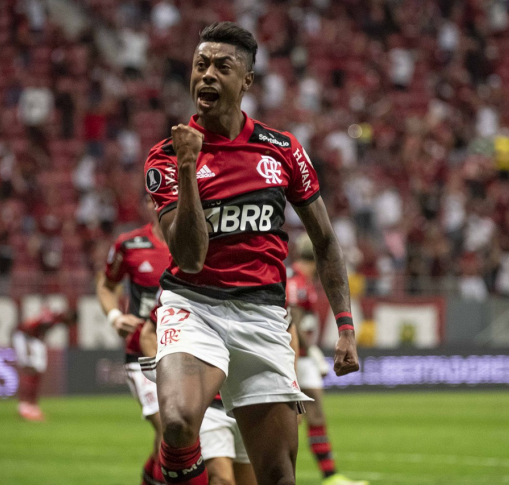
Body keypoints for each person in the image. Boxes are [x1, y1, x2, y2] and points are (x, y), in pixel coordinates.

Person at [143, 22, 359, 485]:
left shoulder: (282, 150)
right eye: (200, 65)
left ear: (247, 81)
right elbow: (190, 258)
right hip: (193, 305)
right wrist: (187, 168)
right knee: (179, 423)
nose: (207, 76)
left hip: (263, 315)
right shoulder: (166, 157)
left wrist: (344, 324)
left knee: (278, 475)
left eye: (223, 67)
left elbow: (324, 240)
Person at [140, 307, 259, 485]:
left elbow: (289, 330)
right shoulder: (183, 287)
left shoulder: (262, 285)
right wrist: (172, 377)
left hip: (248, 400)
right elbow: (148, 333)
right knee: (221, 479)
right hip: (210, 404)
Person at [96, 196, 168, 485]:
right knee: (171, 432)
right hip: (142, 355)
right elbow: (106, 284)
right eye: (155, 199)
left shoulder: (198, 244)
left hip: (185, 352)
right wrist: (115, 316)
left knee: (174, 440)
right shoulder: (130, 245)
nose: (162, 203)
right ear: (148, 205)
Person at [288, 235, 366, 485]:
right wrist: (311, 351)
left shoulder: (302, 280)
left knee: (315, 413)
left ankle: (330, 476)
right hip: (296, 355)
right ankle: (282, 474)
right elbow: (294, 322)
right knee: (295, 417)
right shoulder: (296, 282)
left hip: (303, 356)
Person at [12, 307, 77, 421]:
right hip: (26, 338)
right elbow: (28, 326)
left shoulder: (53, 317)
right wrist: (29, 346)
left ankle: (32, 405)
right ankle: (25, 407)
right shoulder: (51, 319)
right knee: (30, 370)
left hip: (33, 339)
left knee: (37, 370)